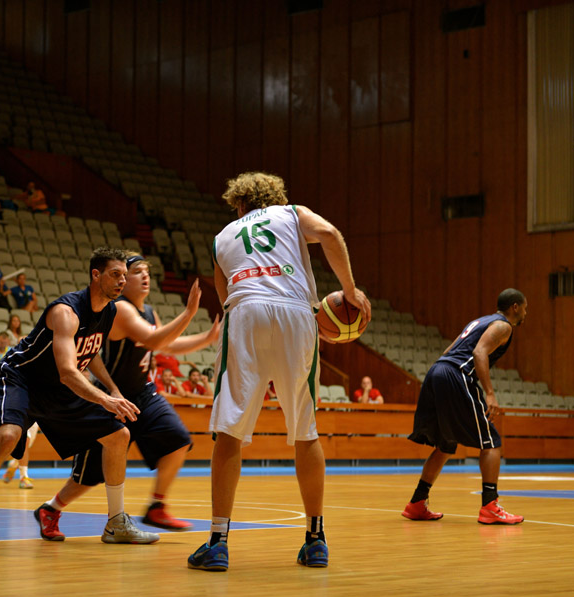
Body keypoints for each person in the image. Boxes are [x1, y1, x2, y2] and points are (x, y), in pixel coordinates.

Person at [187, 171, 371, 572]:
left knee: (229, 430)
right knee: (305, 429)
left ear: (239, 204)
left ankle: (218, 542)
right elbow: (331, 234)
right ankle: (316, 538)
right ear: (274, 197)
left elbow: (225, 297)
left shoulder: (222, 237)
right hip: (295, 313)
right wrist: (351, 291)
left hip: (246, 312)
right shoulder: (291, 213)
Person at [0, 247, 182, 554]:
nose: (122, 281)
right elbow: (69, 372)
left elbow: (91, 351)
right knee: (8, 437)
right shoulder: (65, 312)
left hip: (57, 389)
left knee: (118, 436)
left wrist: (113, 389)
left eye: (125, 275)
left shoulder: (108, 311)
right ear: (95, 275)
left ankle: (116, 523)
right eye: (115, 274)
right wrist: (106, 401)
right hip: (22, 379)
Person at [34, 254, 220, 540]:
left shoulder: (148, 312)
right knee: (90, 475)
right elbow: (154, 339)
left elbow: (165, 346)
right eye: (136, 272)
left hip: (143, 394)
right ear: (121, 279)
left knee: (178, 440)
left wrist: (206, 339)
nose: (144, 276)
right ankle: (51, 508)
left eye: (147, 272)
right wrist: (188, 314)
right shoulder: (119, 309)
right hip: (110, 397)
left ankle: (157, 505)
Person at [402, 289, 528, 526]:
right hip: (455, 374)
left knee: (445, 445)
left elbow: (448, 351)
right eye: (524, 308)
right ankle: (490, 506)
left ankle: (417, 503)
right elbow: (479, 352)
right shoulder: (503, 326)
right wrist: (490, 394)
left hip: (437, 371)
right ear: (514, 307)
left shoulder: (480, 321)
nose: (525, 313)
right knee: (491, 442)